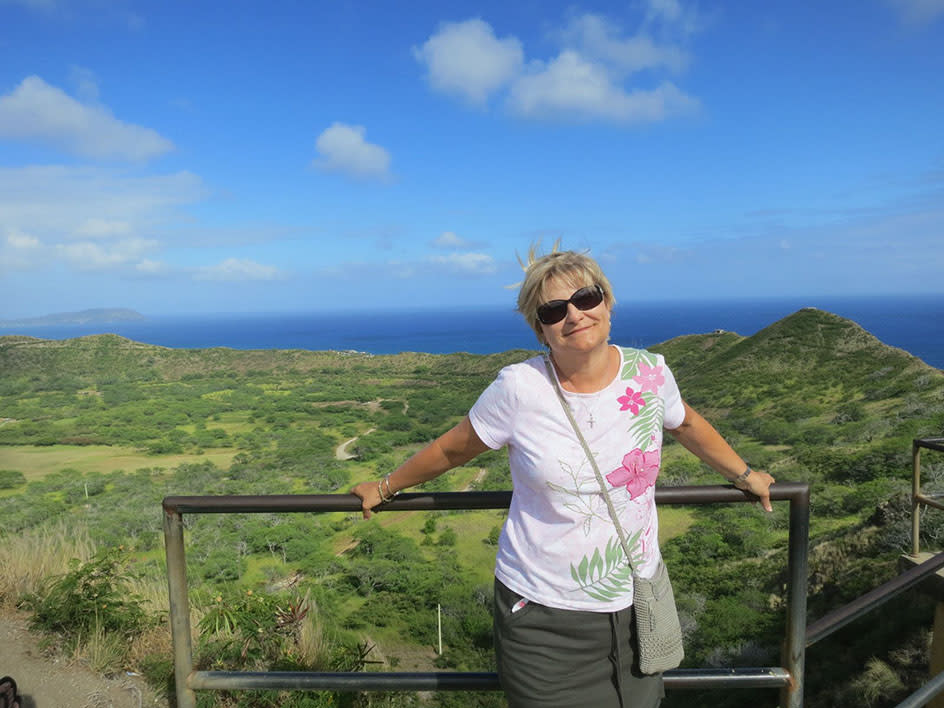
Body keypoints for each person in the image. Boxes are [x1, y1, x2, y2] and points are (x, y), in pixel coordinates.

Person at [352, 246, 775, 708]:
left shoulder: (650, 374)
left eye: (586, 298)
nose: (574, 314)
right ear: (541, 329)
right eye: (554, 309)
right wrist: (386, 487)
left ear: (607, 303)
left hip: (635, 606)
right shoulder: (519, 388)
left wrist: (746, 473)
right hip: (542, 614)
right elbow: (452, 448)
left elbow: (688, 425)